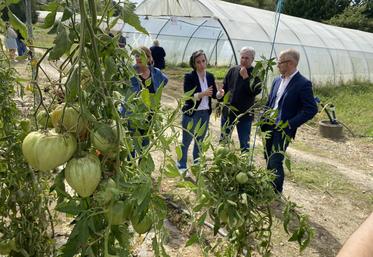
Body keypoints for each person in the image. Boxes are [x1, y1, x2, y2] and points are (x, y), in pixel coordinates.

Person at [261, 48, 318, 193]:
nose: (278, 65)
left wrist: (290, 124)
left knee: (275, 159)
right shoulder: (276, 80)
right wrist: (263, 115)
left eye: (280, 62)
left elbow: (311, 109)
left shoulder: (303, 83)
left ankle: (275, 192)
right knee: (267, 155)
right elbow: (271, 101)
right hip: (269, 125)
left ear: (290, 63)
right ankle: (268, 185)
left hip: (283, 129)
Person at [178, 50, 224, 172]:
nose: (201, 64)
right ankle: (181, 166)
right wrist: (202, 94)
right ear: (194, 64)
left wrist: (220, 94)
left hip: (205, 113)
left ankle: (197, 165)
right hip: (192, 113)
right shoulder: (189, 77)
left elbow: (213, 95)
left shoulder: (210, 76)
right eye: (198, 62)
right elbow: (188, 96)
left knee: (199, 141)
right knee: (186, 140)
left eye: (203, 61)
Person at [121, 46, 168, 154]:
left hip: (149, 116)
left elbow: (165, 81)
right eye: (136, 55)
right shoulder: (130, 72)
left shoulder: (156, 73)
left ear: (148, 58)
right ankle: (131, 166)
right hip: (132, 115)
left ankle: (142, 167)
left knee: (144, 146)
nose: (138, 58)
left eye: (141, 55)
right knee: (131, 148)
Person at [219, 47, 261, 152]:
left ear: (252, 59)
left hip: (245, 114)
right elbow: (225, 87)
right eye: (242, 57)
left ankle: (244, 164)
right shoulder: (233, 70)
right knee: (223, 140)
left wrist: (246, 78)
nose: (244, 60)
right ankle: (220, 162)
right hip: (229, 112)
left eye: (247, 58)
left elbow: (256, 91)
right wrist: (220, 96)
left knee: (244, 143)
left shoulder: (255, 73)